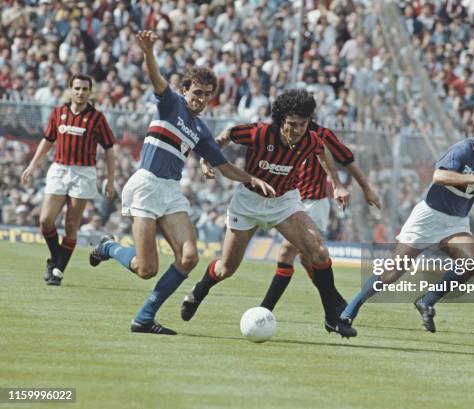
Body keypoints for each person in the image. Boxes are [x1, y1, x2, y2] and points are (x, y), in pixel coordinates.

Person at [88, 31, 274, 336]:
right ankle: (108, 247)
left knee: (189, 257)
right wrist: (148, 51)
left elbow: (224, 166)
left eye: (206, 95)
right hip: (146, 186)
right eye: (196, 92)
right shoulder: (170, 103)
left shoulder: (200, 130)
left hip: (171, 191)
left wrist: (252, 178)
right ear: (184, 90)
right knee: (146, 270)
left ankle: (144, 318)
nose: (200, 99)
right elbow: (155, 77)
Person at [181, 89, 358, 338]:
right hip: (248, 202)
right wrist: (208, 158)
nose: (297, 130)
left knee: (318, 250)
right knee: (226, 268)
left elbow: (323, 152)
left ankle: (332, 318)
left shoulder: (310, 139)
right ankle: (199, 291)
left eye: (303, 124)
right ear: (281, 120)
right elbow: (228, 134)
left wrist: (337, 183)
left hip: (284, 202)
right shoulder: (261, 133)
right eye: (292, 124)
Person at [341, 111, 474, 333]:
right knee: (392, 272)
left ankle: (427, 301)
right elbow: (438, 176)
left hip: (455, 222)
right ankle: (350, 310)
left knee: (472, 263)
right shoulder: (462, 150)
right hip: (428, 216)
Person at [259, 119, 381, 313]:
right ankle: (340, 305)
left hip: (312, 204)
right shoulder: (282, 133)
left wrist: (366, 189)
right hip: (291, 203)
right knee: (307, 261)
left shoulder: (322, 135)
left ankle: (264, 311)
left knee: (286, 253)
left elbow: (348, 161)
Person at [21, 73, 116, 286]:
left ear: (90, 92)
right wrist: (32, 164)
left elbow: (109, 149)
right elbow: (47, 141)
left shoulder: (97, 118)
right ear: (70, 90)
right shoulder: (58, 113)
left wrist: (111, 179)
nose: (81, 92)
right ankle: (56, 260)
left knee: (71, 225)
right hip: (59, 169)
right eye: (77, 88)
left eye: (85, 89)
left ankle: (57, 271)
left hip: (84, 173)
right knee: (45, 220)